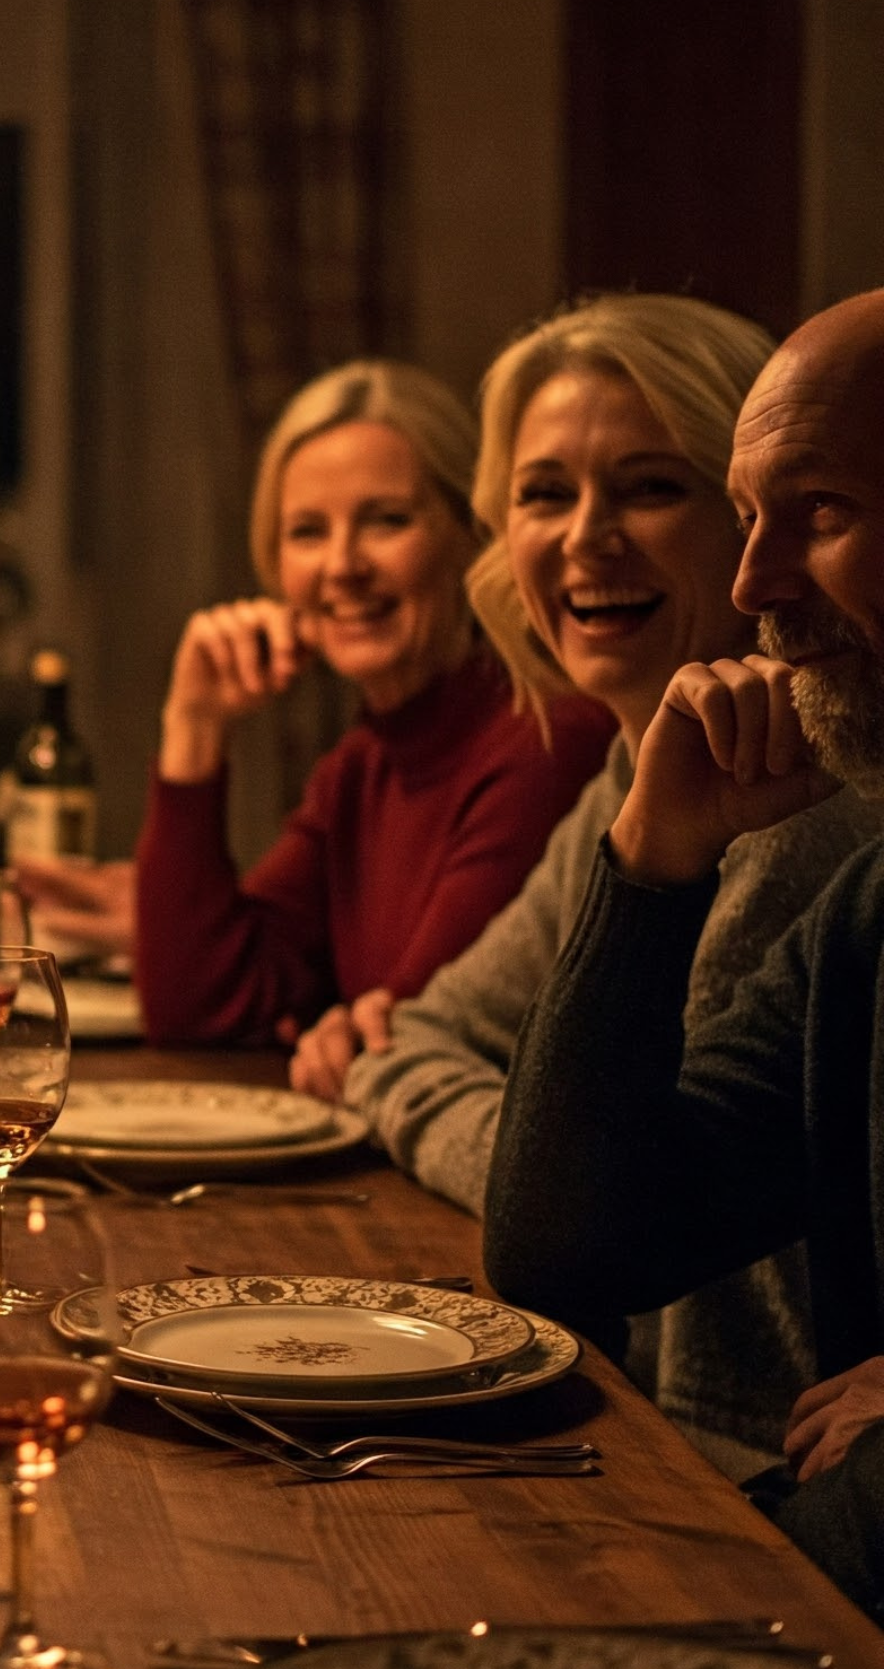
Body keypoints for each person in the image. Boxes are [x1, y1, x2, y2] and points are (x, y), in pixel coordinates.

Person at [323, 295, 881, 1478]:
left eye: (649, 486)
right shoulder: (658, 798)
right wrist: (652, 853)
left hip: (728, 1461)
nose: (754, 580)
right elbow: (565, 1218)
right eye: (543, 494)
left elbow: (655, 1258)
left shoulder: (823, 827)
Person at [483, 287, 884, 1611]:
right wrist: (652, 862)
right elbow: (568, 1245)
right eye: (750, 516)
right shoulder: (871, 910)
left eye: (816, 515)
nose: (753, 587)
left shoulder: (835, 851)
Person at [23, 359, 612, 1052]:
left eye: (386, 520)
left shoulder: (544, 740)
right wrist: (192, 727)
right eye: (306, 531)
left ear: (473, 536)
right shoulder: (362, 766)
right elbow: (202, 1010)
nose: (341, 566)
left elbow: (417, 1044)